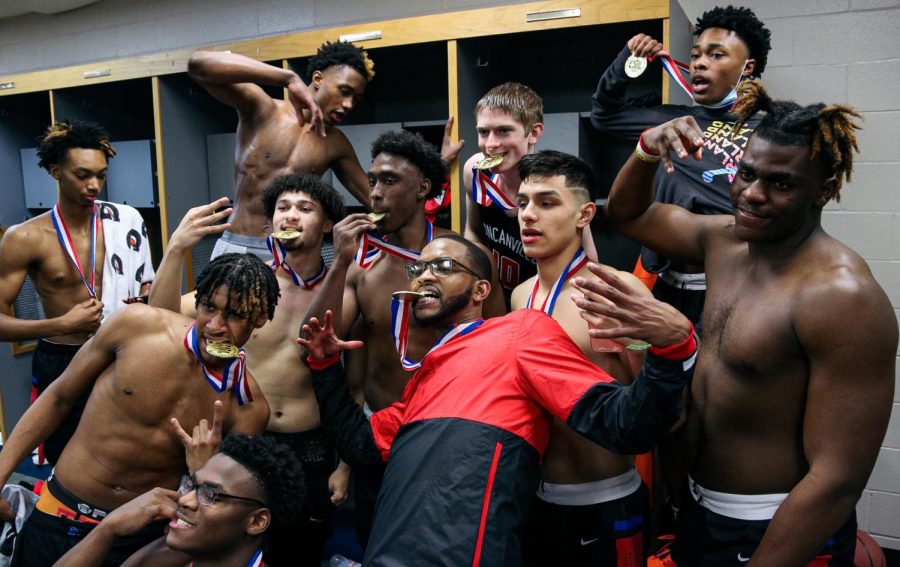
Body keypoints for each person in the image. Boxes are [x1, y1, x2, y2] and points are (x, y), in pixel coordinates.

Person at [602, 81, 897, 566]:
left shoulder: (842, 297)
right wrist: (645, 150)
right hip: (700, 514)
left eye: (780, 183)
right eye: (747, 174)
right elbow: (629, 213)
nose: (751, 195)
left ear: (822, 191)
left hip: (777, 527)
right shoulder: (724, 242)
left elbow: (837, 479)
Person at [300, 233, 699, 566]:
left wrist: (671, 351)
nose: (423, 277)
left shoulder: (519, 332)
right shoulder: (426, 375)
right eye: (417, 268)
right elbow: (359, 444)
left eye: (442, 267)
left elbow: (627, 425)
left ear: (480, 289)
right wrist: (325, 368)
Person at [0, 254, 274, 566]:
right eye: (208, 307)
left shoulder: (248, 408)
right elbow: (59, 396)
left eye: (234, 315)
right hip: (62, 510)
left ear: (260, 318)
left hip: (141, 537)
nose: (215, 326)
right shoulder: (137, 326)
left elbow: (218, 499)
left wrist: (202, 468)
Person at [149, 175, 350, 567]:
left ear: (328, 224)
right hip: (238, 437)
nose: (290, 215)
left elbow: (354, 383)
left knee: (301, 547)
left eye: (304, 208)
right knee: (226, 545)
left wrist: (345, 465)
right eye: (282, 207)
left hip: (309, 444)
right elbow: (160, 318)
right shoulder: (247, 283)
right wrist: (175, 249)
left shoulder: (347, 285)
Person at [591, 5, 772, 333]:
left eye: (717, 55)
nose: (701, 62)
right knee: (667, 375)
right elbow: (604, 115)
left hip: (738, 285)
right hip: (670, 286)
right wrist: (627, 61)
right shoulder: (669, 120)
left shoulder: (773, 130)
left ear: (748, 67)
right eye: (697, 54)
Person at [511, 150, 651, 566]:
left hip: (606, 499)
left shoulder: (617, 292)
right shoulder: (520, 296)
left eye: (547, 202)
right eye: (523, 203)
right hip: (538, 497)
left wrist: (637, 344)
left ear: (584, 214)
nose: (528, 215)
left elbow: (660, 406)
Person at [0, 119, 156, 465]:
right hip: (63, 358)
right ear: (55, 171)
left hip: (122, 354)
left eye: (101, 175)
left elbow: (147, 284)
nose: (94, 185)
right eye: (82, 175)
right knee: (67, 458)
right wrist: (59, 324)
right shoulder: (25, 238)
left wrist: (145, 301)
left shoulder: (126, 221)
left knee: (128, 454)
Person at [188, 41, 373, 260]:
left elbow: (375, 199)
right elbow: (197, 64)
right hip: (236, 245)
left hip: (290, 255)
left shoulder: (336, 144)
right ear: (317, 79)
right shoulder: (263, 110)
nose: (349, 104)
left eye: (356, 98)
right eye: (344, 91)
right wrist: (287, 78)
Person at [54, 434, 306, 567]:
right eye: (191, 484)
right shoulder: (171, 558)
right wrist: (108, 529)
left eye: (211, 494)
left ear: (257, 521)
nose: (185, 499)